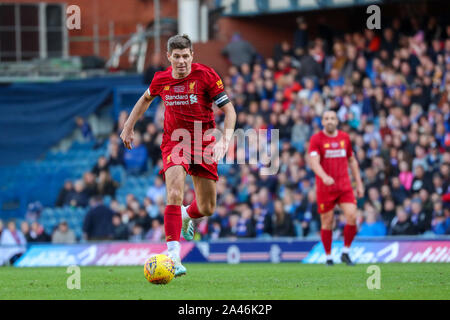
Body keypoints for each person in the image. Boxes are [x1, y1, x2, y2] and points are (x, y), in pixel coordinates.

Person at [120, 34, 236, 277]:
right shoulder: (161, 79)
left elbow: (229, 110)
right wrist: (128, 127)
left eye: (186, 56)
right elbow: (144, 100)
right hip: (175, 141)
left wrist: (225, 139)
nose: (181, 61)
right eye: (177, 56)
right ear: (169, 57)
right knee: (174, 192)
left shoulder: (206, 75)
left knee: (207, 207)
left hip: (203, 142)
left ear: (192, 55)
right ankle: (173, 255)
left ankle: (184, 215)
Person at [307, 110, 364, 266]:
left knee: (352, 216)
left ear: (337, 121)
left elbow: (352, 161)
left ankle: (345, 252)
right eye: (327, 118)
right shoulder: (316, 139)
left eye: (332, 118)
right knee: (327, 222)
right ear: (322, 122)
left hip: (344, 186)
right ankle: (328, 256)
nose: (330, 121)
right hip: (325, 188)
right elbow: (314, 162)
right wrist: (324, 176)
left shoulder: (344, 138)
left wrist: (359, 183)